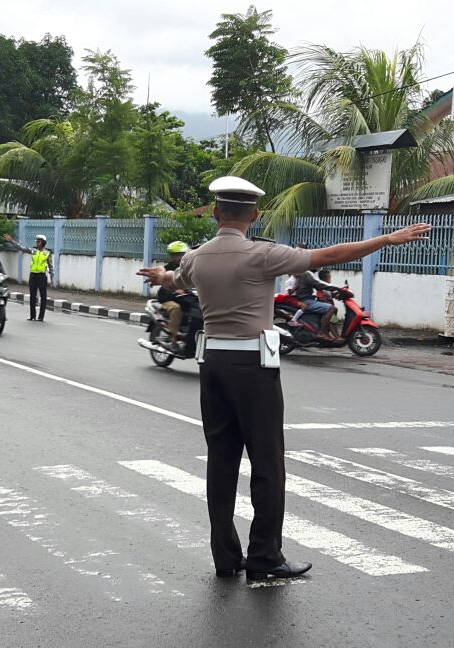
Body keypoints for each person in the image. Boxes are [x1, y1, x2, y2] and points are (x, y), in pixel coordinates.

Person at [137, 176, 430, 581]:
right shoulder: (263, 255)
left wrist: (158, 275)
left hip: (213, 366)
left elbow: (174, 279)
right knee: (267, 462)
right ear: (255, 214)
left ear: (217, 212)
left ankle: (226, 558)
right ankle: (264, 557)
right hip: (254, 369)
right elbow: (329, 255)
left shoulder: (197, 257)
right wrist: (386, 239)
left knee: (221, 462)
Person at [2, 233, 53, 321]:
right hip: (33, 275)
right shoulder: (33, 250)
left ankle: (41, 317)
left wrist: (52, 279)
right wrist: (11, 241)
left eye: (39, 241)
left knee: (43, 297)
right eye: (37, 241)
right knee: (32, 296)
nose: (37, 243)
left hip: (42, 276)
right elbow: (21, 248)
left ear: (43, 242)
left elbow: (51, 266)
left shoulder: (47, 253)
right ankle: (32, 315)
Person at [156, 241, 197, 350]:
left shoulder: (188, 267)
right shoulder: (169, 267)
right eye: (176, 255)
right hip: (168, 297)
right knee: (176, 309)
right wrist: (177, 289)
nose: (179, 257)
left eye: (182, 254)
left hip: (185, 296)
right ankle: (173, 340)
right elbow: (162, 274)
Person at [289, 268, 339, 340]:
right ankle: (321, 332)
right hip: (307, 300)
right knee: (332, 308)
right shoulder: (307, 274)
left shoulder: (306, 274)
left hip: (308, 299)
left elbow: (318, 286)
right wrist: (338, 288)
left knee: (333, 310)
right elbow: (319, 285)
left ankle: (326, 332)